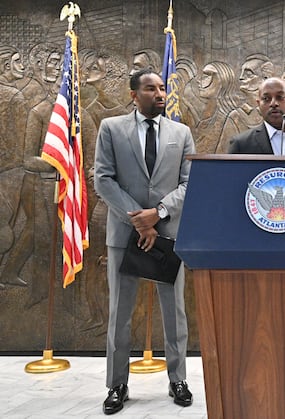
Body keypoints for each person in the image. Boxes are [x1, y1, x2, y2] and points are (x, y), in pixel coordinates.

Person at [94, 69, 196, 414]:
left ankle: (177, 379)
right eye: (151, 88)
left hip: (168, 235)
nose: (159, 93)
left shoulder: (181, 133)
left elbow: (189, 183)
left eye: (162, 88)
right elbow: (103, 179)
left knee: (175, 312)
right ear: (134, 95)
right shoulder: (111, 129)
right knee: (119, 314)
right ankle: (117, 385)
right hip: (125, 235)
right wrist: (139, 219)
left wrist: (159, 214)